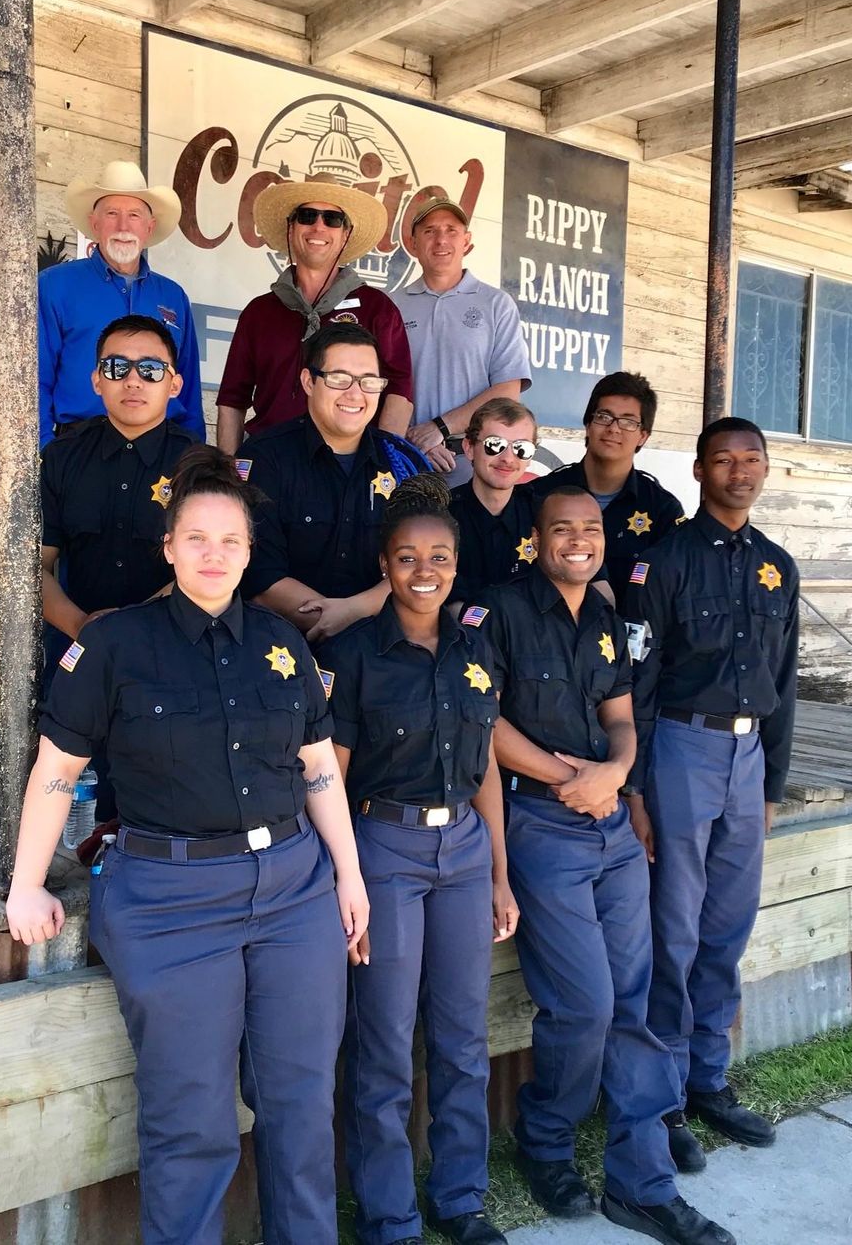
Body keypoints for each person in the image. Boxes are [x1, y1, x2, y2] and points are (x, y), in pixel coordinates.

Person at [5, 446, 368, 1245]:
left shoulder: (282, 644)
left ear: (248, 553)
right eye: (196, 539)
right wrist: (27, 884)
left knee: (301, 1103)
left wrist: (348, 873)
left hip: (294, 893)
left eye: (230, 542)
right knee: (190, 1118)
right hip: (169, 901)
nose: (213, 555)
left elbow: (317, 771)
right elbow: (56, 773)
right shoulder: (114, 646)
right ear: (168, 547)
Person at [466, 486, 734, 1245]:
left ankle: (642, 1184)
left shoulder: (611, 620)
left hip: (612, 829)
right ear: (537, 537)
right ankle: (545, 1138)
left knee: (639, 1003)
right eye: (562, 529)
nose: (578, 540)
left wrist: (614, 773)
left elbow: (621, 716)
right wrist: (569, 780)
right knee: (585, 1006)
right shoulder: (497, 613)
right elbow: (482, 724)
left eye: (590, 529)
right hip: (542, 827)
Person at [323, 474, 517, 1245]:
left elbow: (489, 767)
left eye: (439, 555)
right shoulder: (355, 653)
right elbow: (329, 775)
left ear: (456, 561)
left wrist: (501, 870)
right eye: (408, 557)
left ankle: (460, 1198)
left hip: (466, 847)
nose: (424, 570)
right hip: (387, 847)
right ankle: (389, 1215)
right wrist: (346, 878)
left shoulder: (475, 647)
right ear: (385, 564)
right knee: (384, 1039)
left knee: (463, 1035)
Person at [624, 417, 799, 1161]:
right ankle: (660, 1102)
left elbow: (785, 683)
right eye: (723, 460)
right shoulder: (660, 562)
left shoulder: (778, 567)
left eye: (751, 459)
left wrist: (773, 784)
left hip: (748, 756)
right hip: (681, 750)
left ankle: (708, 1080)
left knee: (727, 927)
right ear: (698, 471)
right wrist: (634, 787)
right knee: (675, 928)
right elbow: (635, 683)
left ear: (764, 470)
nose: (739, 471)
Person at [241, 323, 428, 643]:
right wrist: (331, 621)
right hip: (278, 648)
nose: (355, 394)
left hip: (381, 648)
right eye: (339, 379)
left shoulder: (402, 464)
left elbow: (420, 565)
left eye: (369, 382)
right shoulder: (264, 458)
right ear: (308, 381)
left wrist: (352, 612)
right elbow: (259, 576)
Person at [215, 181, 414, 452]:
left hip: (348, 464)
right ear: (291, 227)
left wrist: (381, 462)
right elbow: (232, 398)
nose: (319, 227)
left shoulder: (377, 308)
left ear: (345, 234)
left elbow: (399, 389)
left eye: (332, 219)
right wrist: (228, 474)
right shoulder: (258, 312)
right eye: (307, 216)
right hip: (270, 460)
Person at [39, 315, 196, 641]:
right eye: (116, 368)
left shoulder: (198, 463)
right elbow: (35, 566)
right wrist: (81, 626)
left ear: (174, 385)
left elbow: (209, 570)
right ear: (97, 380)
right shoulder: (61, 456)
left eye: (150, 370)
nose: (133, 381)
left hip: (172, 644)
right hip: (75, 639)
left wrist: (125, 629)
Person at [38, 160, 204, 447]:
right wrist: (43, 452)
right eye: (112, 213)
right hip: (80, 444)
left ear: (149, 227)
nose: (123, 226)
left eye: (135, 215)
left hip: (162, 447)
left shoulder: (173, 295)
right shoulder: (54, 285)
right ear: (94, 223)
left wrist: (195, 455)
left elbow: (188, 384)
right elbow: (35, 378)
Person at [396, 199, 530, 487]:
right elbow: (378, 385)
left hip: (473, 465)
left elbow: (508, 390)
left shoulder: (496, 304)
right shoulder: (393, 305)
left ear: (467, 241)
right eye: (429, 231)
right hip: (404, 461)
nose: (441, 239)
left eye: (451, 230)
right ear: (413, 243)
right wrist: (418, 440)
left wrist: (439, 428)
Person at [531, 372, 684, 610]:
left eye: (628, 421)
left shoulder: (662, 508)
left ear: (643, 435)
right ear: (588, 424)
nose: (614, 428)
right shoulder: (541, 494)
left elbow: (670, 591)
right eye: (604, 416)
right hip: (546, 636)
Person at [448, 396, 539, 608]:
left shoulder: (544, 515)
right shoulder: (440, 516)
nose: (508, 458)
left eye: (521, 448)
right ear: (469, 447)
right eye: (494, 445)